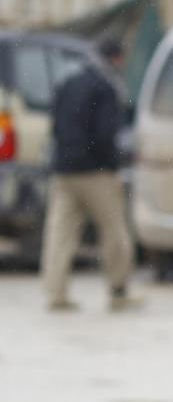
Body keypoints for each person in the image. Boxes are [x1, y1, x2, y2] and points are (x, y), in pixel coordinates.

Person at [40, 37, 140, 312]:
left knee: (59, 234)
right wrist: (112, 163)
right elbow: (106, 134)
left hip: (63, 171)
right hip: (96, 173)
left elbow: (55, 125)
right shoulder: (106, 87)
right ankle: (118, 291)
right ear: (116, 59)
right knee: (114, 232)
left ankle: (55, 292)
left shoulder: (69, 82)